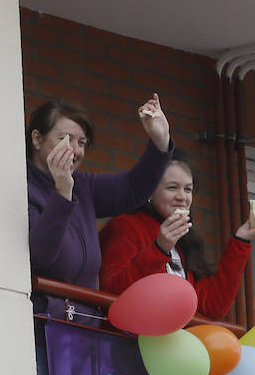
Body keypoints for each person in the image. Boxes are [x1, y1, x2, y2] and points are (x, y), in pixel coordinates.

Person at [27, 94, 174, 316]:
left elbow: (133, 189)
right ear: (37, 139)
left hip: (84, 325)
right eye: (65, 139)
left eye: (82, 143)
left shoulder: (83, 185)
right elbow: (41, 256)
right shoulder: (24, 187)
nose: (75, 151)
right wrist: (63, 193)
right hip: (43, 326)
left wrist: (160, 141)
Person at [98, 158, 255, 320]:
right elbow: (112, 290)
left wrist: (241, 240)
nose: (182, 197)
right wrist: (159, 249)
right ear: (150, 192)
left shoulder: (186, 241)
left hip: (173, 346)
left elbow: (213, 306)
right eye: (172, 188)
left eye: (188, 189)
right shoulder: (127, 227)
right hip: (129, 344)